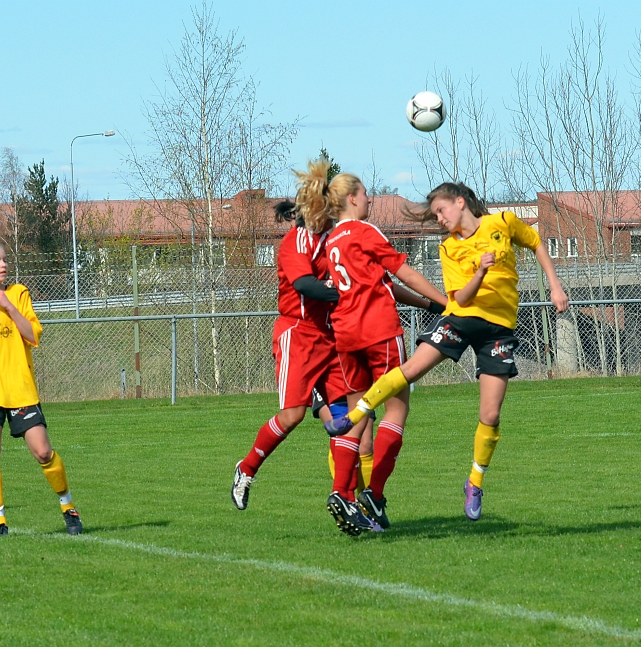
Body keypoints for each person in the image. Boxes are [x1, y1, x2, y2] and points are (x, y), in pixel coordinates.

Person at [324, 182, 568, 521]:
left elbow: (537, 242)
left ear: (460, 201)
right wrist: (481, 272)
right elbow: (462, 299)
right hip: (460, 320)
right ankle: (354, 415)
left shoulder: (503, 223)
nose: (439, 219)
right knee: (411, 370)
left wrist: (556, 286)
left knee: (491, 415)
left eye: (442, 210)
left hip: (498, 329)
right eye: (435, 214)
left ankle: (475, 482)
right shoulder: (449, 248)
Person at [320, 173, 448, 536]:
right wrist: (446, 301)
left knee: (358, 413)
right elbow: (403, 273)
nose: (370, 200)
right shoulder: (366, 232)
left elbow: (381, 283)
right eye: (365, 195)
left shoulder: (331, 242)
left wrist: (427, 304)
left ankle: (342, 493)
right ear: (352, 199)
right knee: (397, 407)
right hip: (378, 331)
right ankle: (374, 494)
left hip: (346, 336)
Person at [230, 160, 346, 511]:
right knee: (292, 416)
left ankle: (347, 497)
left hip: (332, 337)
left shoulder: (337, 238)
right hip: (298, 335)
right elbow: (305, 285)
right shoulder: (295, 241)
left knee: (345, 420)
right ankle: (246, 469)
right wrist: (346, 291)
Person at [0, 240, 82, 537]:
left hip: (19, 388)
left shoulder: (18, 294)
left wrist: (9, 307)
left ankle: (68, 506)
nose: (3, 264)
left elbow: (33, 335)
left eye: (5, 259)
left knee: (43, 452)